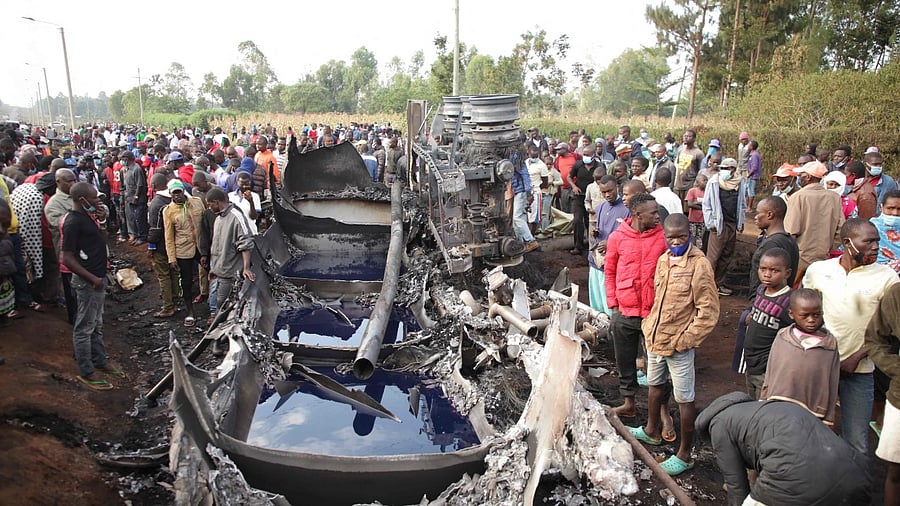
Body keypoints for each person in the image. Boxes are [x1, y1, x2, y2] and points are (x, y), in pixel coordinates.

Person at [628, 213, 719, 476]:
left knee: (684, 399)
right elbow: (658, 298)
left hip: (679, 346)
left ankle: (684, 454)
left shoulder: (699, 265)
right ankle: (652, 431)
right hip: (656, 339)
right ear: (665, 237)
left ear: (689, 235)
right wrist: (648, 326)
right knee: (655, 386)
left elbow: (708, 311)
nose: (676, 241)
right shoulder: (663, 260)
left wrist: (686, 340)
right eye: (671, 237)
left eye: (681, 236)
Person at [803, 218, 899, 454]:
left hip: (860, 370)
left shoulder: (888, 278)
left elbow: (889, 330)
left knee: (856, 441)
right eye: (869, 242)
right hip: (820, 366)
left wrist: (857, 357)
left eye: (877, 242)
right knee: (810, 431)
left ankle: (854, 478)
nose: (876, 247)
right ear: (848, 243)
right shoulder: (819, 270)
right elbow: (804, 310)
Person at [695, 391, 870, 506]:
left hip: (796, 475)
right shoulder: (767, 408)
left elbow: (737, 486)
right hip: (853, 470)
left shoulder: (718, 425)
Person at [604, 192, 667, 417]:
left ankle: (663, 413)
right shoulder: (617, 238)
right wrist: (613, 305)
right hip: (625, 311)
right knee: (625, 360)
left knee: (659, 364)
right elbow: (609, 272)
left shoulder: (663, 237)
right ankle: (628, 403)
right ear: (638, 215)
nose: (658, 216)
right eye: (653, 213)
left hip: (654, 312)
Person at [60, 183, 120, 391]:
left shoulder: (87, 217)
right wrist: (92, 278)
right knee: (84, 327)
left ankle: (100, 361)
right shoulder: (72, 222)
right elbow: (67, 258)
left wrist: (102, 222)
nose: (98, 201)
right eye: (94, 198)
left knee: (96, 324)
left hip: (97, 278)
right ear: (82, 200)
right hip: (87, 283)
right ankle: (87, 371)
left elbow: (101, 241)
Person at [759, 288, 840, 424]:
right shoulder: (783, 337)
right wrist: (764, 399)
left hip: (812, 412)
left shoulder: (829, 345)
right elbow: (771, 371)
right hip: (779, 404)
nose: (811, 320)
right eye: (805, 315)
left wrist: (829, 418)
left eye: (816, 315)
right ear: (791, 314)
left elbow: (832, 381)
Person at [740, 247, 794, 399]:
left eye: (774, 270)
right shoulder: (761, 290)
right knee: (751, 399)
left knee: (764, 403)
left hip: (768, 367)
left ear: (787, 273)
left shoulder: (789, 301)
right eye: (763, 269)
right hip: (751, 361)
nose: (767, 274)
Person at [865, 283, 900, 506]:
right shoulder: (897, 294)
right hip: (899, 399)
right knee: (895, 472)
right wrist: (896, 369)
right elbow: (875, 339)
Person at [784, 160, 844, 284]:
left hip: (800, 258)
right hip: (823, 257)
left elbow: (791, 231)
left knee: (791, 290)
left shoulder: (798, 197)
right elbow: (841, 229)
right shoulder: (834, 198)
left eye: (801, 175)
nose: (799, 178)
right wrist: (828, 247)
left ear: (808, 177)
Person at [588, 177, 635, 315]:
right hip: (597, 260)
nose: (607, 195)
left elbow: (630, 235)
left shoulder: (628, 209)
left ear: (617, 188)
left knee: (610, 300)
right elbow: (601, 228)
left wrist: (610, 243)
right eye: (604, 192)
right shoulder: (601, 207)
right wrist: (596, 232)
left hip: (613, 263)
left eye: (610, 191)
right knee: (596, 301)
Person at [206, 187, 256, 316]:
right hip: (218, 271)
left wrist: (246, 268)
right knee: (217, 303)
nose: (209, 208)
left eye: (210, 204)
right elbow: (217, 246)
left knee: (224, 305)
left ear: (217, 202)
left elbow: (246, 243)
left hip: (230, 273)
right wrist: (214, 268)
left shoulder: (236, 217)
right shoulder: (218, 219)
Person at [163, 179, 205, 328]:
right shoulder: (168, 211)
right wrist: (172, 258)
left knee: (212, 272)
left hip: (200, 246)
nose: (177, 195)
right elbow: (169, 237)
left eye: (179, 192)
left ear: (183, 191)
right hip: (183, 250)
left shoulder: (197, 202)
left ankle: (213, 303)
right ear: (170, 194)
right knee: (186, 282)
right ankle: (190, 311)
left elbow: (205, 224)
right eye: (174, 193)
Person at [703, 157, 746, 296]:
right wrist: (710, 223)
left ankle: (718, 284)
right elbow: (707, 204)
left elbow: (742, 203)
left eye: (727, 169)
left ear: (733, 170)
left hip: (732, 223)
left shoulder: (739, 182)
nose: (723, 171)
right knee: (713, 257)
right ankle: (707, 286)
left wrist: (741, 221)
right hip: (718, 224)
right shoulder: (714, 182)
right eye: (722, 168)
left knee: (727, 255)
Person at [147, 174, 178, 319]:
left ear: (153, 186)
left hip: (161, 246)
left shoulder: (156, 203)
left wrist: (151, 246)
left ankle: (168, 307)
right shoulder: (174, 198)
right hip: (176, 243)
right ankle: (175, 300)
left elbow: (155, 229)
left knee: (163, 276)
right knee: (174, 273)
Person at [567, 145, 603, 255]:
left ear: (593, 155)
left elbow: (603, 179)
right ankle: (578, 246)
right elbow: (569, 176)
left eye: (588, 155)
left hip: (592, 198)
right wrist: (574, 186)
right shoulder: (578, 164)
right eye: (584, 154)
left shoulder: (599, 166)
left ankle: (592, 245)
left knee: (590, 221)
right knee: (577, 220)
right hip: (579, 196)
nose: (585, 157)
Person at [511, 156, 539, 253]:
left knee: (517, 218)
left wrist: (528, 192)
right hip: (518, 190)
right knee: (518, 220)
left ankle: (530, 241)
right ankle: (521, 243)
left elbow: (525, 174)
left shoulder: (515, 158)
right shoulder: (511, 156)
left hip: (521, 191)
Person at [872, 189, 900, 272]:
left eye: (899, 209)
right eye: (890, 208)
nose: (895, 213)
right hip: (875, 272)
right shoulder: (871, 227)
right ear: (881, 207)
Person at [673, 130, 703, 205]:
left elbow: (701, 171)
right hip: (678, 185)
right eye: (685, 136)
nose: (686, 138)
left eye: (689, 136)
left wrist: (696, 185)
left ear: (694, 139)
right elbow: (677, 165)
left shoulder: (698, 153)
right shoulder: (680, 150)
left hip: (690, 185)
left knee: (687, 207)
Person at [525, 144, 550, 235]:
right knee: (525, 216)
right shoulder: (525, 163)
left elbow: (545, 182)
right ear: (528, 153)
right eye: (532, 156)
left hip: (535, 193)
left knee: (534, 217)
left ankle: (532, 236)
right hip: (524, 192)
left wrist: (537, 188)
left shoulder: (542, 166)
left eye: (536, 156)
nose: (534, 158)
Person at [685, 174, 707, 251]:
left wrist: (697, 203)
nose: (706, 182)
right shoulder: (692, 191)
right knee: (692, 237)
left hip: (702, 220)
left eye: (706, 180)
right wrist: (702, 208)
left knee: (700, 238)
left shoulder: (707, 192)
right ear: (697, 182)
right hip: (692, 220)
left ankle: (698, 252)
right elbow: (690, 204)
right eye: (704, 180)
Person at [553, 142, 577, 213]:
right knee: (565, 209)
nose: (557, 151)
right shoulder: (557, 160)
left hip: (574, 186)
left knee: (574, 208)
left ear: (565, 149)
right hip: (563, 188)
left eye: (559, 149)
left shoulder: (575, 156)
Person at [745, 140, 761, 210]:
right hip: (751, 176)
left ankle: (749, 207)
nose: (748, 146)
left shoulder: (754, 155)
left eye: (749, 145)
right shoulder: (752, 154)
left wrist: (749, 174)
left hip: (752, 176)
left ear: (751, 147)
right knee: (748, 191)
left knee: (750, 191)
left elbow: (754, 167)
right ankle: (747, 206)